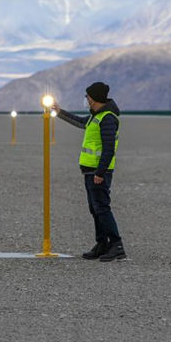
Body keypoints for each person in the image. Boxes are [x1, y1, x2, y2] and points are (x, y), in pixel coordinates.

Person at [53, 82, 126, 262]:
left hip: (98, 172)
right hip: (89, 171)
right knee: (95, 209)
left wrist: (100, 173)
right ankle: (102, 243)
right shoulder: (96, 116)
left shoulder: (107, 118)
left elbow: (109, 149)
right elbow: (79, 121)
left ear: (94, 99)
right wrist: (59, 111)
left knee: (102, 208)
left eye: (87, 97)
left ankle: (116, 245)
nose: (86, 99)